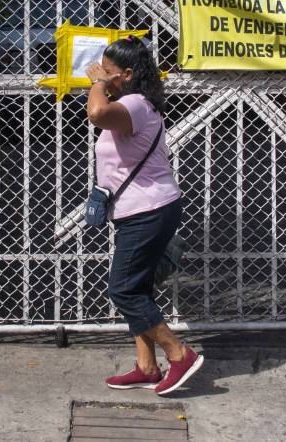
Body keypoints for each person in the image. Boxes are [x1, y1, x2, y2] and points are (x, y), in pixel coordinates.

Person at [84, 35, 204, 396]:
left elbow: (95, 113)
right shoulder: (135, 103)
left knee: (122, 289)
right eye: (102, 71)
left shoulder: (134, 104)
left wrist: (97, 85)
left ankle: (178, 354)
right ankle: (147, 366)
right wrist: (104, 82)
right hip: (142, 208)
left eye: (109, 72)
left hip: (148, 210)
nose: (103, 77)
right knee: (137, 287)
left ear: (129, 74)